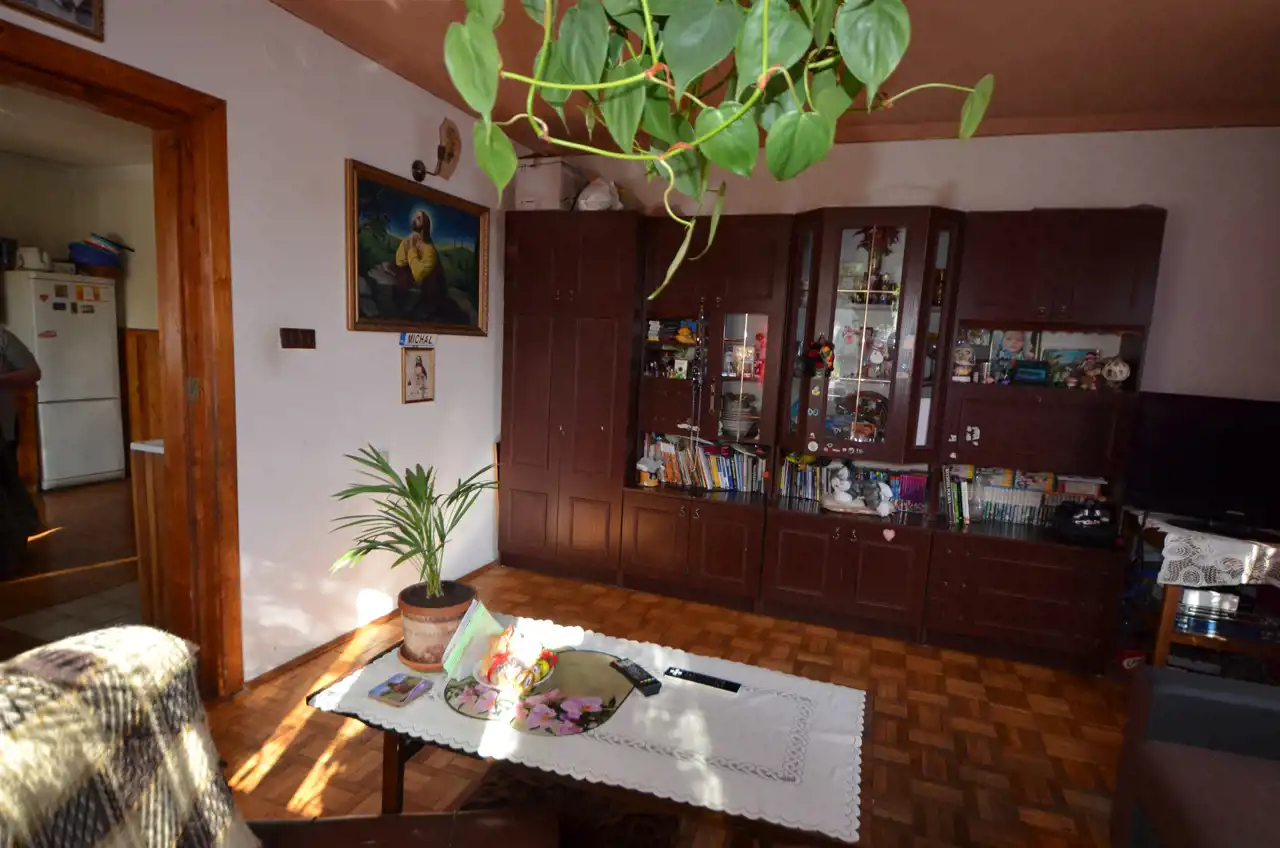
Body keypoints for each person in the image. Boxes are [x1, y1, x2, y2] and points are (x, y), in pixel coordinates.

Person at [1, 325, 41, 573]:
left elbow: (33, 372)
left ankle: (11, 553)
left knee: (8, 490)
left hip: (2, 429)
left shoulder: (2, 336)